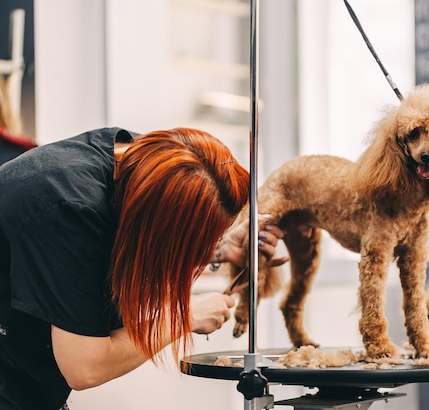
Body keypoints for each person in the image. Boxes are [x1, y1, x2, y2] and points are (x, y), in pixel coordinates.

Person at [0, 126, 287, 410]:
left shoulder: (143, 164)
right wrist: (185, 318)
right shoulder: (69, 209)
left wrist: (221, 245)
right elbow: (85, 366)